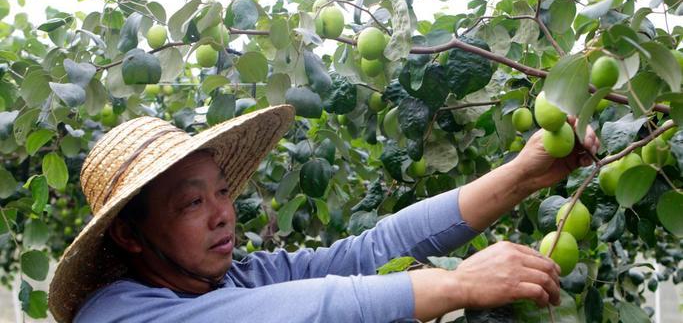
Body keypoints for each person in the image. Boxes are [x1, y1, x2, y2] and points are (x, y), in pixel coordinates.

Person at [47, 104, 599, 322]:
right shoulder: (117, 314)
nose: (223, 214)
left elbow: (370, 253)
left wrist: (524, 173)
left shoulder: (236, 276)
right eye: (193, 202)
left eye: (221, 192)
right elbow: (301, 310)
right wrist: (456, 285)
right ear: (129, 234)